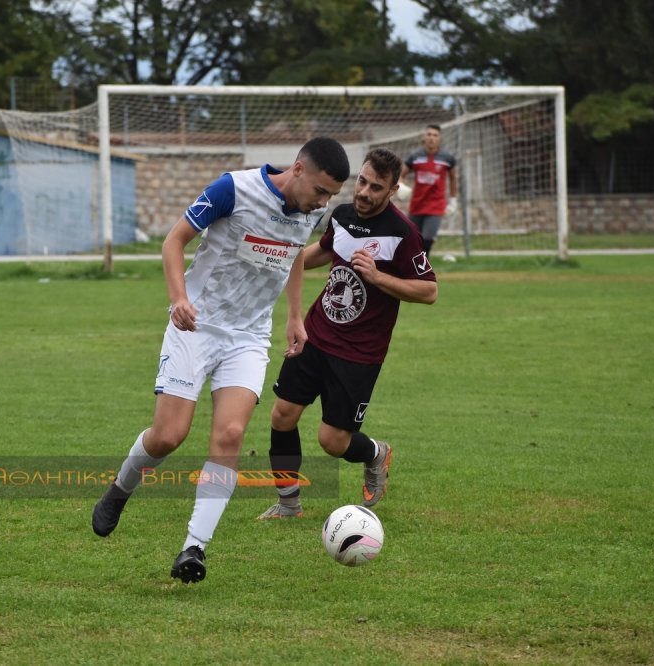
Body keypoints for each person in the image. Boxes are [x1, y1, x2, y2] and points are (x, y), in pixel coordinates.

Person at [91, 137, 351, 584]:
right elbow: (174, 242)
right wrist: (178, 300)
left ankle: (194, 548)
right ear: (299, 169)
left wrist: (293, 316)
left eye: (331, 196)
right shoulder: (232, 188)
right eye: (321, 191)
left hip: (248, 336)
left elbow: (291, 258)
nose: (323, 202)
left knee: (230, 434)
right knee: (168, 436)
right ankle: (120, 488)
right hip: (196, 325)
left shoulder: (311, 210)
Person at [258, 147, 437, 521]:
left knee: (332, 442)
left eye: (376, 187)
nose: (365, 192)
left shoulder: (403, 233)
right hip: (316, 334)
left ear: (392, 190)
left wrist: (377, 277)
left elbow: (428, 291)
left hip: (359, 353)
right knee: (282, 415)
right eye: (362, 181)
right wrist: (271, 261)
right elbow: (324, 252)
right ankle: (288, 504)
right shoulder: (339, 215)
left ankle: (375, 453)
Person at [398, 124, 458, 257]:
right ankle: (410, 270)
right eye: (429, 134)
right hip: (417, 205)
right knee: (412, 240)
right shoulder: (415, 156)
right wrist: (400, 185)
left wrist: (453, 200)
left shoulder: (447, 158)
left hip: (436, 206)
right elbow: (401, 175)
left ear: (440, 138)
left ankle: (424, 269)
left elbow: (453, 178)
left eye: (435, 135)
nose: (431, 138)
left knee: (427, 240)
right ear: (424, 137)